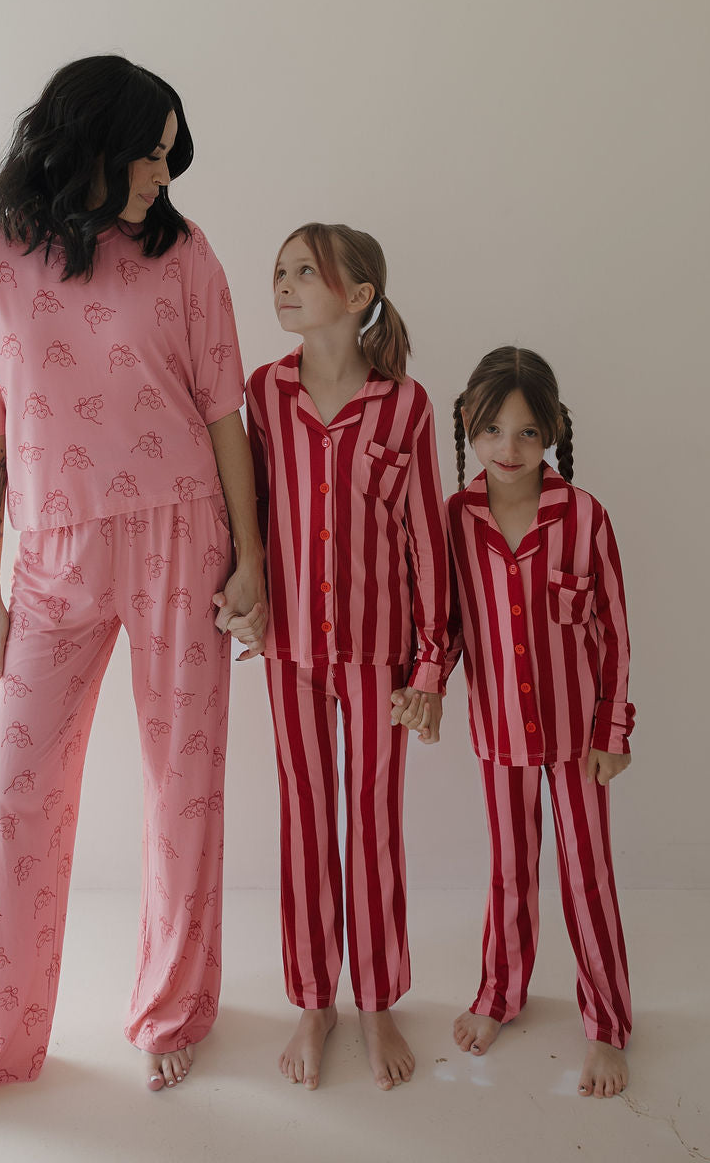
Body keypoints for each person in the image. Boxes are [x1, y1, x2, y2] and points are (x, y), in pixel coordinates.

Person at [0, 55, 266, 1156]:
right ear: (84, 138)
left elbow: (224, 413)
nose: (161, 173)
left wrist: (250, 559)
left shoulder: (182, 255)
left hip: (182, 532)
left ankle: (173, 1008)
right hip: (51, 552)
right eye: (147, 150)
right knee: (14, 792)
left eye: (168, 154)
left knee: (182, 788)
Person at [243, 223, 452, 1092]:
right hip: (289, 649)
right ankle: (313, 1000)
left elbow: (428, 542)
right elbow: (246, 512)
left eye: (305, 272)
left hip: (380, 657)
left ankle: (375, 1001)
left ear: (359, 295)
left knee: (371, 825)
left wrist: (431, 669)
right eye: (280, 272)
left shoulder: (405, 405)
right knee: (304, 818)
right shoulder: (262, 393)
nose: (284, 284)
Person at [445, 346, 633, 1098]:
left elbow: (615, 631)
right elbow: (447, 623)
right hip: (500, 738)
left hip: (579, 743)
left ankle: (609, 1024)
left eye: (528, 432)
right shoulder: (455, 520)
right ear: (468, 425)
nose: (510, 449)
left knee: (587, 879)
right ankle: (500, 995)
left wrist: (611, 733)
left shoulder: (585, 518)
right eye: (493, 430)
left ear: (553, 430)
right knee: (509, 875)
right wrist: (423, 686)